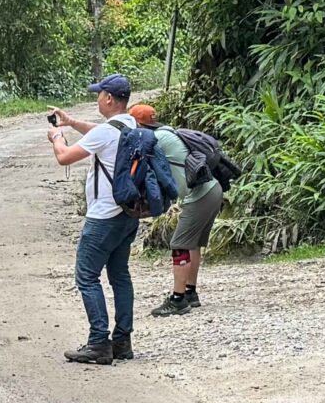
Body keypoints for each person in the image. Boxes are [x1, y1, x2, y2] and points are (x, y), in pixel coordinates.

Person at [47, 74, 141, 365]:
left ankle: (99, 342)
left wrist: (57, 137)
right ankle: (122, 341)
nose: (97, 98)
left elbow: (64, 157)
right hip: (127, 213)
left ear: (109, 98)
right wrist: (72, 123)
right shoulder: (131, 124)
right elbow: (100, 132)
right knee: (119, 276)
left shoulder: (106, 132)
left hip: (103, 217)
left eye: (99, 94)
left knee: (87, 276)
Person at [129, 103, 219, 317]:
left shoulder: (156, 138)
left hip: (200, 196)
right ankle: (190, 292)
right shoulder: (167, 132)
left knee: (179, 244)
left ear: (139, 124)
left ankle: (178, 299)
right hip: (213, 190)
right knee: (193, 243)